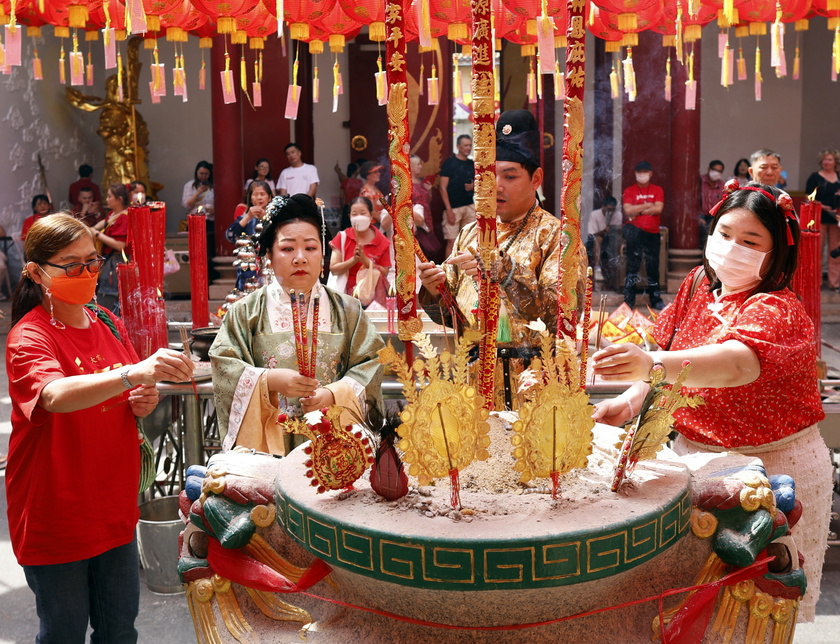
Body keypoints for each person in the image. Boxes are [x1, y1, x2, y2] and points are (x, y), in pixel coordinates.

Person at [591, 181, 832, 622]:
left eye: (750, 241)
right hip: (695, 461)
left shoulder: (778, 307)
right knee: (691, 609)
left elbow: (736, 365)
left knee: (756, 615)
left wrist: (652, 364)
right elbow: (670, 356)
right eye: (723, 234)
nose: (730, 248)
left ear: (776, 251)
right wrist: (628, 404)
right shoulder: (699, 283)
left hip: (779, 469)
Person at [6, 214, 193, 643]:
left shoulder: (107, 321)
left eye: (93, 262)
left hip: (112, 506)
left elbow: (123, 395)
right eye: (70, 265)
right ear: (36, 272)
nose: (87, 273)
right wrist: (132, 374)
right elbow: (53, 395)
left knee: (118, 631)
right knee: (64, 632)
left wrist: (139, 401)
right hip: (59, 512)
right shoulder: (29, 337)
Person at [209, 194, 384, 455]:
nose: (300, 258)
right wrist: (268, 380)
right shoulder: (246, 312)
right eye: (287, 248)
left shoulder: (348, 311)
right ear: (269, 254)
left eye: (311, 248)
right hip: (269, 448)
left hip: (333, 442)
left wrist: (334, 394)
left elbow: (371, 364)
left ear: (323, 254)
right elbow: (224, 365)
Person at [418, 109, 563, 410]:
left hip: (531, 380)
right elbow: (451, 319)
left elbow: (557, 315)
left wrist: (506, 272)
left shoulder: (554, 236)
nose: (496, 186)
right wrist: (435, 289)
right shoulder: (471, 232)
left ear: (536, 178)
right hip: (471, 378)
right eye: (489, 176)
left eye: (509, 176)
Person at [329, 196, 391, 308]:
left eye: (363, 213)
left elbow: (385, 272)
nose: (359, 217)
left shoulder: (382, 241)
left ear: (371, 215)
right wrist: (354, 260)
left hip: (373, 298)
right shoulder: (342, 237)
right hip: (345, 299)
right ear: (349, 217)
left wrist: (365, 261)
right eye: (354, 214)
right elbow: (334, 269)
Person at [622, 160, 665, 310]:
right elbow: (628, 211)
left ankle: (656, 299)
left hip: (652, 232)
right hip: (634, 231)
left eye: (645, 172)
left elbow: (659, 208)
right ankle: (628, 301)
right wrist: (648, 206)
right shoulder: (629, 190)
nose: (642, 175)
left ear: (650, 174)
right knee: (632, 266)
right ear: (635, 174)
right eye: (639, 172)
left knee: (653, 266)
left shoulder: (657, 189)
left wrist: (637, 210)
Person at [225, 180, 274, 290]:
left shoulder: (276, 218)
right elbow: (230, 236)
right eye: (255, 194)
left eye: (262, 194)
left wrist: (265, 218)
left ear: (270, 197)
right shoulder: (245, 219)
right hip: (250, 268)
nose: (259, 198)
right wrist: (248, 217)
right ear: (250, 198)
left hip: (272, 265)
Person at [91, 183, 130, 313]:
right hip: (109, 260)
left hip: (117, 261)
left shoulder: (124, 217)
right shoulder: (113, 215)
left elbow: (120, 245)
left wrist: (97, 234)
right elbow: (97, 227)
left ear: (119, 199)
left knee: (110, 295)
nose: (107, 199)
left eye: (109, 196)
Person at [805, 149, 840, 290]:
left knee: (835, 252)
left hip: (836, 219)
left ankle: (834, 283)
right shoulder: (814, 177)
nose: (827, 162)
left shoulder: (839, 176)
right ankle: (815, 283)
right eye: (825, 159)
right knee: (816, 252)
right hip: (818, 217)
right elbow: (808, 197)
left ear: (835, 161)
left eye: (830, 159)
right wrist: (821, 206)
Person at [440, 134, 476, 257]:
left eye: (470, 145)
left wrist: (473, 187)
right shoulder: (449, 163)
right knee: (452, 241)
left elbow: (480, 185)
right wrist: (448, 210)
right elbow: (442, 187)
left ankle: (464, 272)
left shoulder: (472, 164)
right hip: (453, 207)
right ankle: (448, 271)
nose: (468, 148)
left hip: (469, 206)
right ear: (458, 146)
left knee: (468, 240)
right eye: (465, 145)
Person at [182, 160, 216, 279]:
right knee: (196, 251)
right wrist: (198, 193)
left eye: (206, 174)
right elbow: (186, 205)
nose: (203, 176)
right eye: (201, 174)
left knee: (209, 251)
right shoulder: (190, 185)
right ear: (196, 173)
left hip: (209, 221)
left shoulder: (213, 186)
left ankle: (209, 277)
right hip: (194, 221)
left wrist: (213, 210)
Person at [411, 153, 443, 263]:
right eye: (418, 164)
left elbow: (427, 201)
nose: (420, 166)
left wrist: (428, 191)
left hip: (426, 216)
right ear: (411, 166)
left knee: (428, 244)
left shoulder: (421, 181)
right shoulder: (406, 184)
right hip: (415, 219)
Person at [585, 196, 622, 290]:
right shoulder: (595, 215)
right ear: (603, 207)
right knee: (598, 239)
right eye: (609, 209)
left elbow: (617, 232)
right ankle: (597, 268)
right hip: (596, 239)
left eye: (613, 210)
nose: (611, 212)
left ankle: (617, 272)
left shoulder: (617, 215)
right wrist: (604, 230)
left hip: (611, 240)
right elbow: (593, 233)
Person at [699, 159, 725, 249]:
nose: (716, 173)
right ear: (709, 169)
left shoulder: (722, 185)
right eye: (714, 170)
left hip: (715, 217)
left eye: (719, 171)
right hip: (700, 216)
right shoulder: (699, 181)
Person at [358, 161, 388, 230]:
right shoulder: (366, 192)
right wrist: (386, 223)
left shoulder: (375, 188)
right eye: (375, 172)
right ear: (367, 175)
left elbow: (384, 204)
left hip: (381, 224)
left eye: (378, 171)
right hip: (373, 226)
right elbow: (373, 213)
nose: (379, 174)